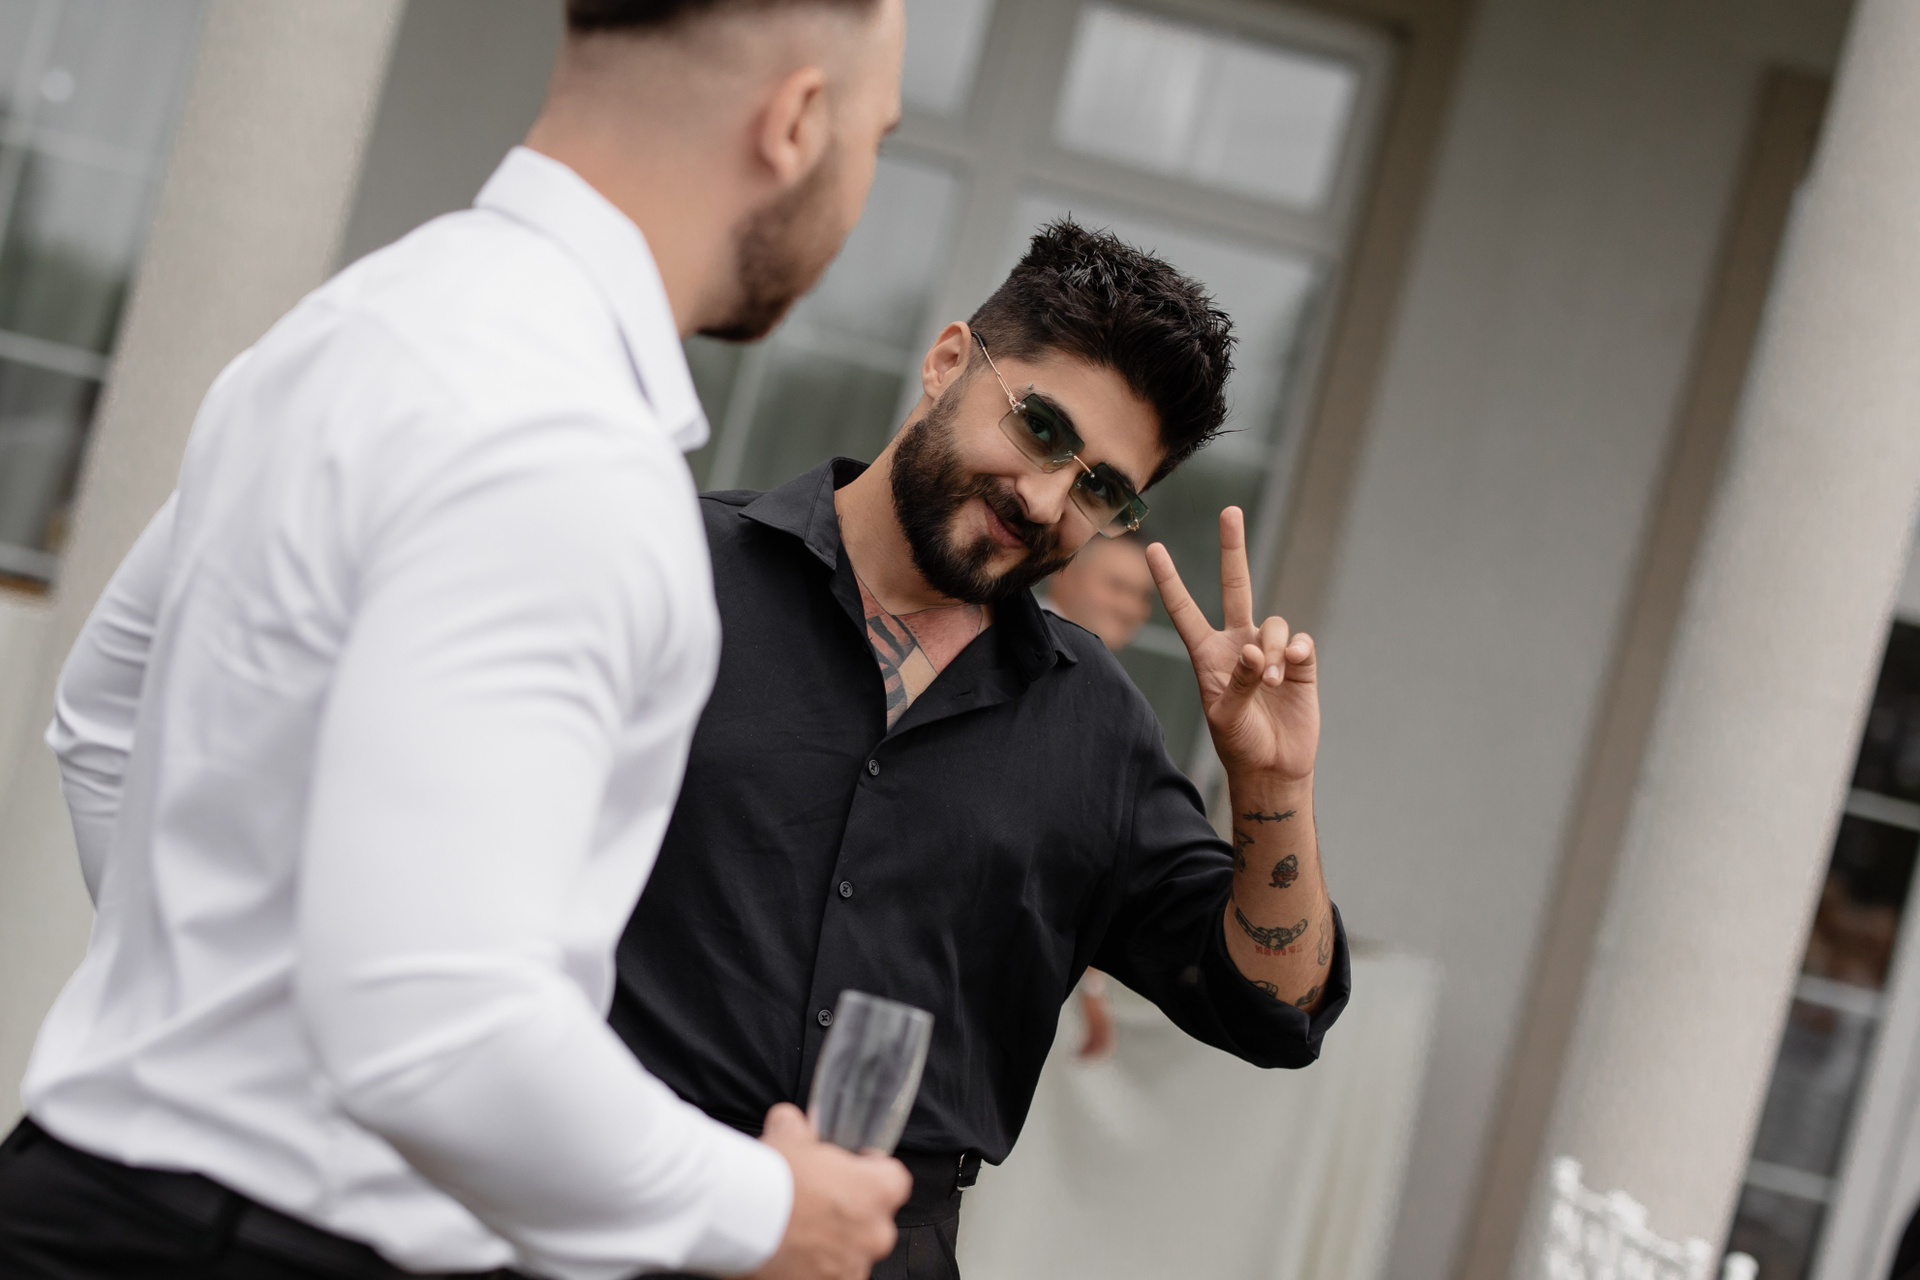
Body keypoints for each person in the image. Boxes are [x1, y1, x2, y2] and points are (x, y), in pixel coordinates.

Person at [0, 3, 914, 1278]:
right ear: (798, 121)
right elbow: (437, 1019)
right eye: (879, 138)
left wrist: (216, 1017)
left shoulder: (342, 328)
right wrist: (768, 1209)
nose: (865, 191)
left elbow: (103, 717)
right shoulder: (564, 440)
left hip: (75, 1194)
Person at [613, 219, 1350, 1280]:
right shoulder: (672, 570)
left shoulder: (1094, 727)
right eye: (1041, 428)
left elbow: (1274, 1007)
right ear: (949, 360)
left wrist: (1273, 783)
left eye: (1099, 488)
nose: (1045, 499)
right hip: (593, 1208)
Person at [1037, 535, 1155, 1058]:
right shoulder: (1026, 656)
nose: (1132, 608)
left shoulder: (1093, 681)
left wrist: (1090, 982)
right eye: (1117, 587)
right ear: (1062, 572)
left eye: (1143, 596)